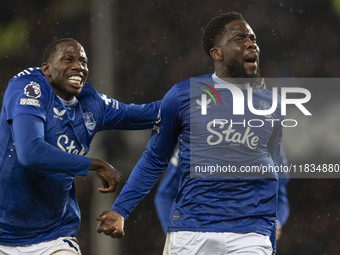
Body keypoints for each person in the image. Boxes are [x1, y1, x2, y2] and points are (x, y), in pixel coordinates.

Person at [97, 12, 284, 255]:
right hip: (192, 231)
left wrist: (270, 238)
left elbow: (269, 171)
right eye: (240, 38)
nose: (251, 44)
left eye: (253, 38)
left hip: (250, 235)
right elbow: (155, 158)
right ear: (216, 53)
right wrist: (121, 209)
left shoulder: (272, 104)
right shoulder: (182, 95)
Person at [0, 38, 160, 254]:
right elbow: (30, 152)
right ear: (46, 69)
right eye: (68, 59)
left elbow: (146, 114)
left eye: (83, 62)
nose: (78, 66)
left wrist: (196, 100)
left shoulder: (91, 103)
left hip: (53, 236)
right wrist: (95, 164)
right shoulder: (29, 87)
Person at [154, 147, 290, 241]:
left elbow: (279, 196)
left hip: (248, 236)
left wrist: (276, 221)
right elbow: (164, 195)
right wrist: (174, 233)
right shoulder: (193, 137)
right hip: (200, 236)